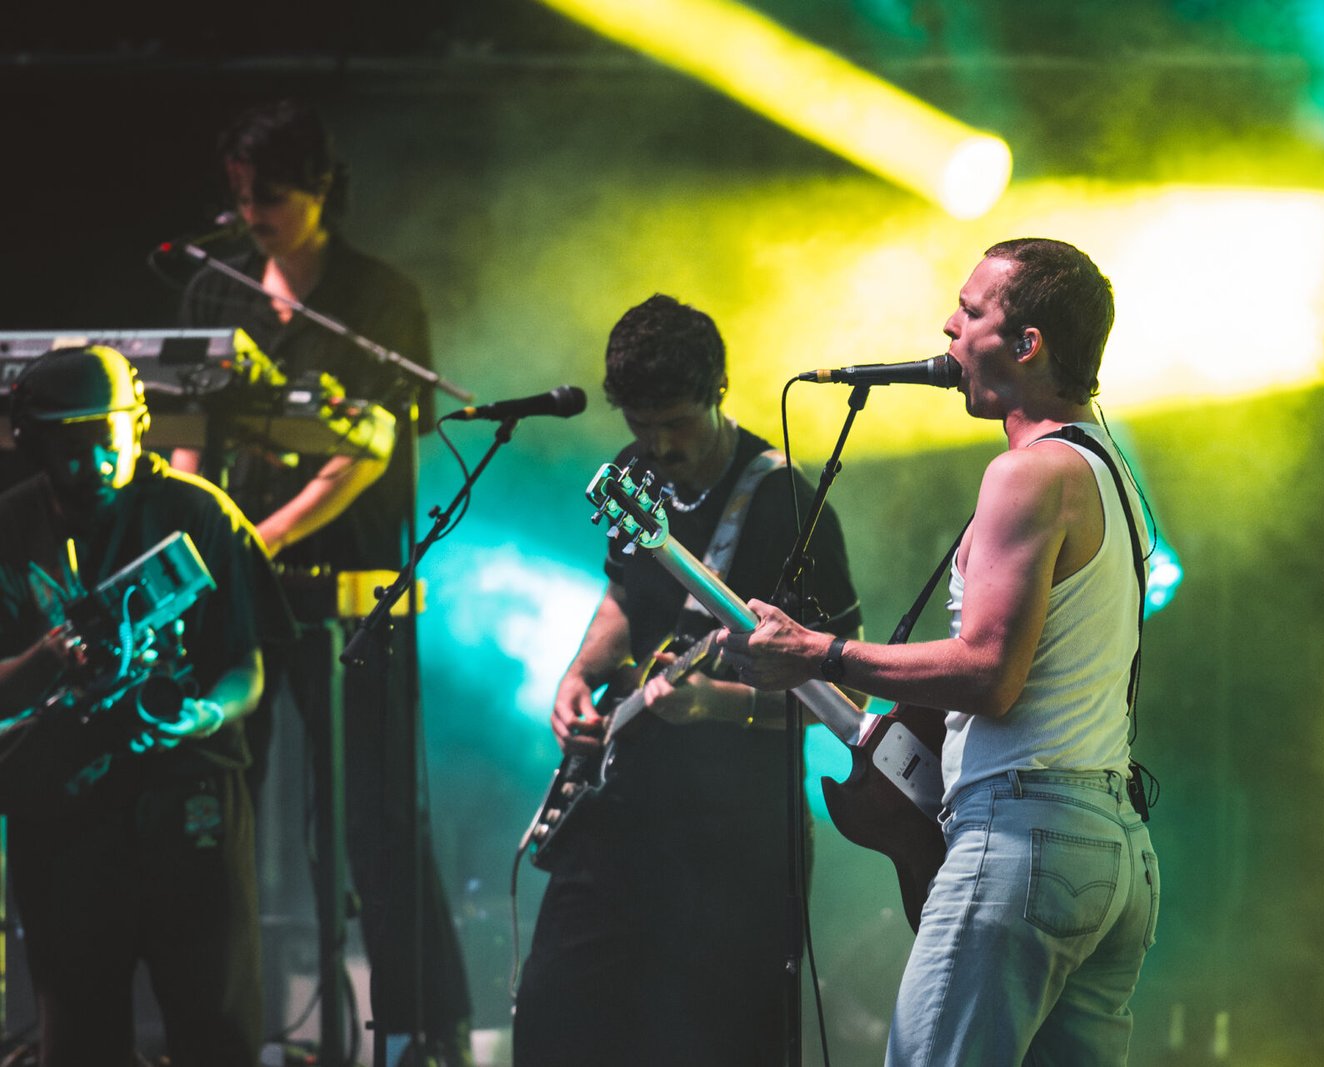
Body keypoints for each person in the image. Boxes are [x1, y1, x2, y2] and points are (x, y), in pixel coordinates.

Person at [719, 239, 1161, 1065]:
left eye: (970, 310)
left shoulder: (1028, 474)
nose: (947, 328)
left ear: (1027, 344)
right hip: (1113, 848)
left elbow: (989, 674)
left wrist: (819, 651)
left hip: (1024, 838)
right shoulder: (1110, 476)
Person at [176, 99, 474, 1065]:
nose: (251, 212)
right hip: (237, 588)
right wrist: (202, 531)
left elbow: (370, 447)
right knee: (214, 802)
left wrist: (253, 537)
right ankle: (214, 1025)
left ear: (319, 189)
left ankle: (422, 1029)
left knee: (374, 813)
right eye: (240, 194)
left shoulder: (377, 298)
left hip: (351, 586)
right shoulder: (217, 291)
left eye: (269, 193)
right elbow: (184, 427)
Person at [513, 294, 861, 1065]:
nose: (660, 445)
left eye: (677, 422)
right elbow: (624, 592)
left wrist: (716, 704)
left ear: (718, 390)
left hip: (733, 847)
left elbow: (847, 698)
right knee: (552, 1023)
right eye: (642, 424)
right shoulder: (634, 473)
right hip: (619, 813)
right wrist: (579, 673)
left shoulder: (787, 504)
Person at [0, 345, 292, 1066]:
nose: (96, 462)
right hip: (60, 811)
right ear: (31, 442)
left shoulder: (198, 512)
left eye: (109, 440)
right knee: (78, 1031)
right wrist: (47, 659)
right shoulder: (9, 526)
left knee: (215, 1024)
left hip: (186, 799)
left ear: (139, 425)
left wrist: (202, 716)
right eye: (71, 447)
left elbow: (246, 669)